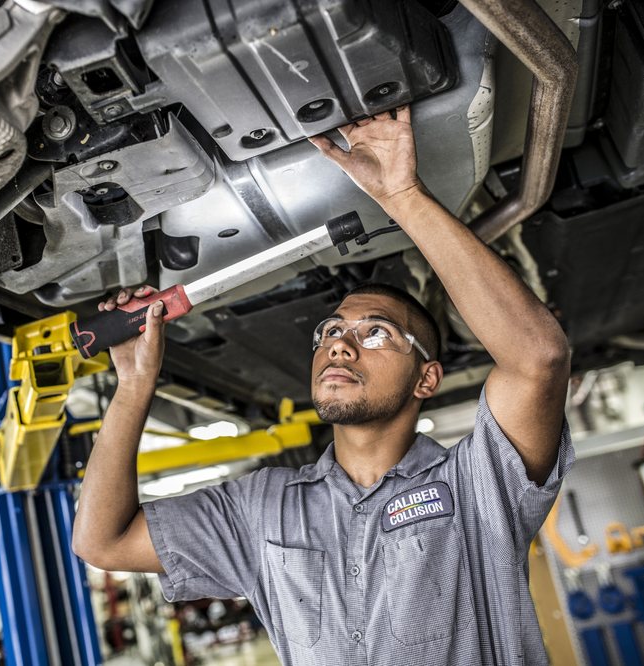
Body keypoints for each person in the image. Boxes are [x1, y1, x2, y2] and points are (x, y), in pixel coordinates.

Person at [71, 105, 573, 665]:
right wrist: (135, 383)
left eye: (376, 333)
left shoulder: (478, 488)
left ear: (426, 378)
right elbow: (102, 542)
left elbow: (538, 358)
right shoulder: (261, 509)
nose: (339, 345)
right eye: (331, 330)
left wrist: (402, 195)